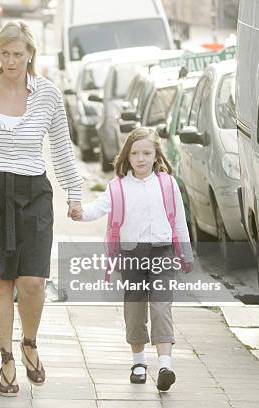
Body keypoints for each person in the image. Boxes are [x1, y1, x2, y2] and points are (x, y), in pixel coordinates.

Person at [0, 21, 83, 396]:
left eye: (18, 54)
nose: (11, 61)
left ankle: (30, 343)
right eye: (5, 54)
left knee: (32, 281)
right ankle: (6, 357)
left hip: (33, 192)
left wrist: (74, 194)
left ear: (30, 56)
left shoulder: (47, 95)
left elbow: (61, 147)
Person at [70, 127, 194, 392]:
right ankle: (138, 363)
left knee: (162, 307)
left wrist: (185, 252)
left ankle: (165, 366)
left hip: (162, 252)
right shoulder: (118, 187)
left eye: (146, 153)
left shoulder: (168, 183)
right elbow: (97, 208)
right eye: (135, 153)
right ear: (127, 155)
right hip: (131, 255)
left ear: (156, 155)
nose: (140, 158)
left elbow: (179, 220)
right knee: (135, 310)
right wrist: (80, 212)